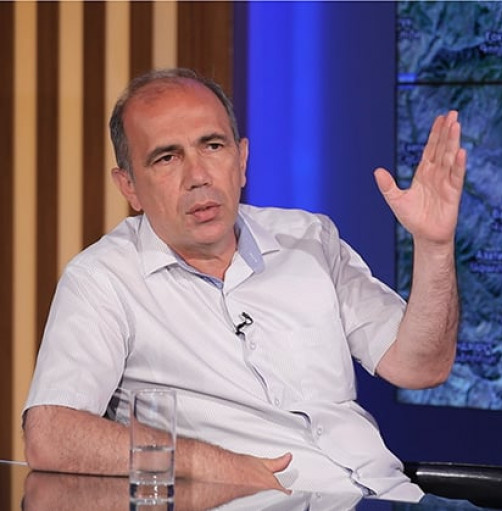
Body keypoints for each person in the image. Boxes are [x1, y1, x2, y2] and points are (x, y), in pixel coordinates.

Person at [22, 68, 466, 502]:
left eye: (213, 146)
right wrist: (215, 465)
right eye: (167, 158)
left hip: (386, 495)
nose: (198, 176)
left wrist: (434, 246)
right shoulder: (103, 279)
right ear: (129, 187)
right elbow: (52, 435)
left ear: (242, 160)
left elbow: (420, 368)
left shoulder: (309, 239)